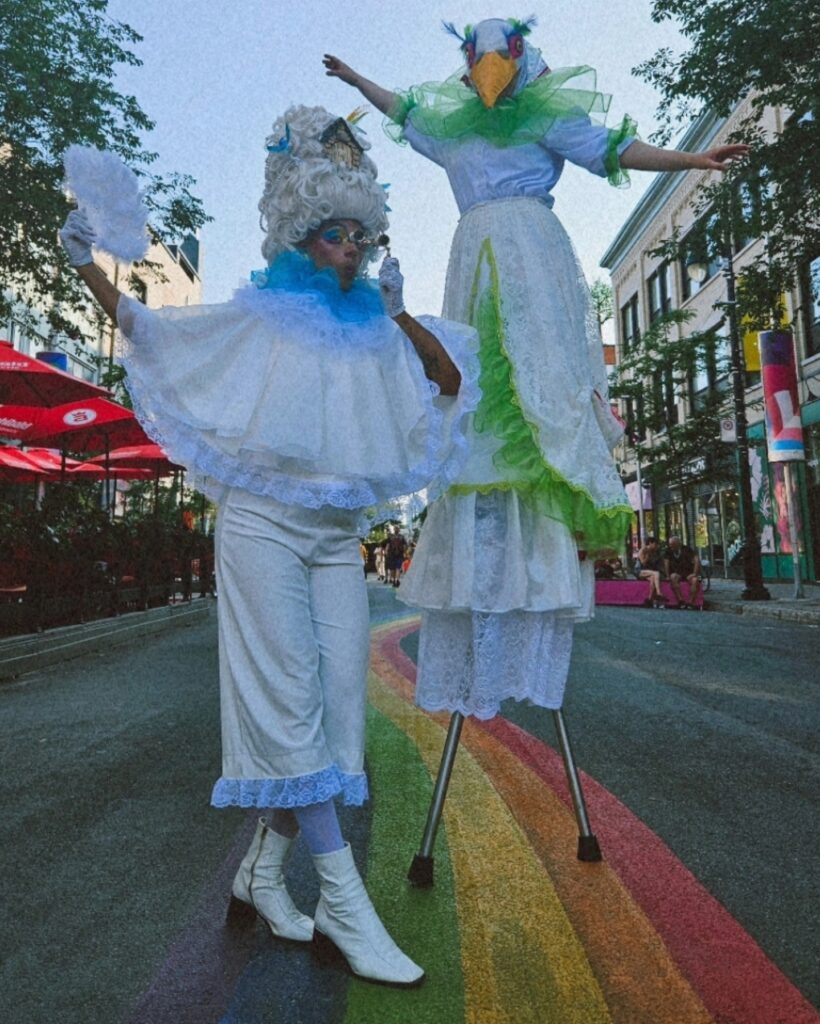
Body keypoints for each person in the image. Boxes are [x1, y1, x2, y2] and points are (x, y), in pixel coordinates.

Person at [59, 104, 479, 987]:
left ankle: (259, 872)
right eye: (336, 235)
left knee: (337, 718)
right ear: (301, 233)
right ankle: (342, 898)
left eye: (364, 236)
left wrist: (401, 314)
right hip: (259, 525)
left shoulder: (375, 325)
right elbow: (154, 333)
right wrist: (89, 269)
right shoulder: (260, 314)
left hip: (334, 539)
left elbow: (445, 383)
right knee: (289, 708)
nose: (352, 251)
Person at [324, 19, 747, 718]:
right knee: (479, 390)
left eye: (502, 57)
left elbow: (618, 149)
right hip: (476, 252)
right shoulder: (452, 126)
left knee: (539, 379)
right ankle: (489, 571)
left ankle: (545, 546)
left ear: (521, 60)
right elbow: (402, 108)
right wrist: (356, 79)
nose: (490, 70)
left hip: (532, 253)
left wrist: (695, 158)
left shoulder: (547, 116)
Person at [664, 535, 702, 608]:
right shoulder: (668, 551)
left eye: (673, 544)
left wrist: (694, 573)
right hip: (677, 572)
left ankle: (691, 602)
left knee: (695, 580)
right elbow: (666, 563)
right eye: (670, 544)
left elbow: (697, 560)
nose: (671, 546)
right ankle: (680, 600)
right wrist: (667, 575)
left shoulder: (687, 549)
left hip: (688, 572)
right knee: (673, 577)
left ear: (678, 544)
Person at [634, 536, 666, 609]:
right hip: (639, 570)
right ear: (650, 543)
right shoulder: (643, 550)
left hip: (648, 571)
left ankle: (650, 599)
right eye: (655, 544)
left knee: (653, 579)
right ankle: (659, 593)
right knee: (656, 573)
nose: (657, 546)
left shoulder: (655, 553)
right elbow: (643, 563)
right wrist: (647, 556)